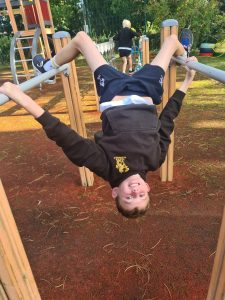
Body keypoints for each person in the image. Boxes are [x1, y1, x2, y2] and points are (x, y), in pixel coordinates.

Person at [0, 31, 197, 219]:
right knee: (172, 40)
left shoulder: (107, 167)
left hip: (114, 89)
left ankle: (47, 67)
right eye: (141, 195)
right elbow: (167, 120)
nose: (136, 190)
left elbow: (66, 139)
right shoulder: (155, 160)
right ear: (148, 189)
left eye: (129, 197)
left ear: (115, 192)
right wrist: (187, 81)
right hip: (146, 89)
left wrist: (21, 98)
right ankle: (185, 54)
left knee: (81, 39)